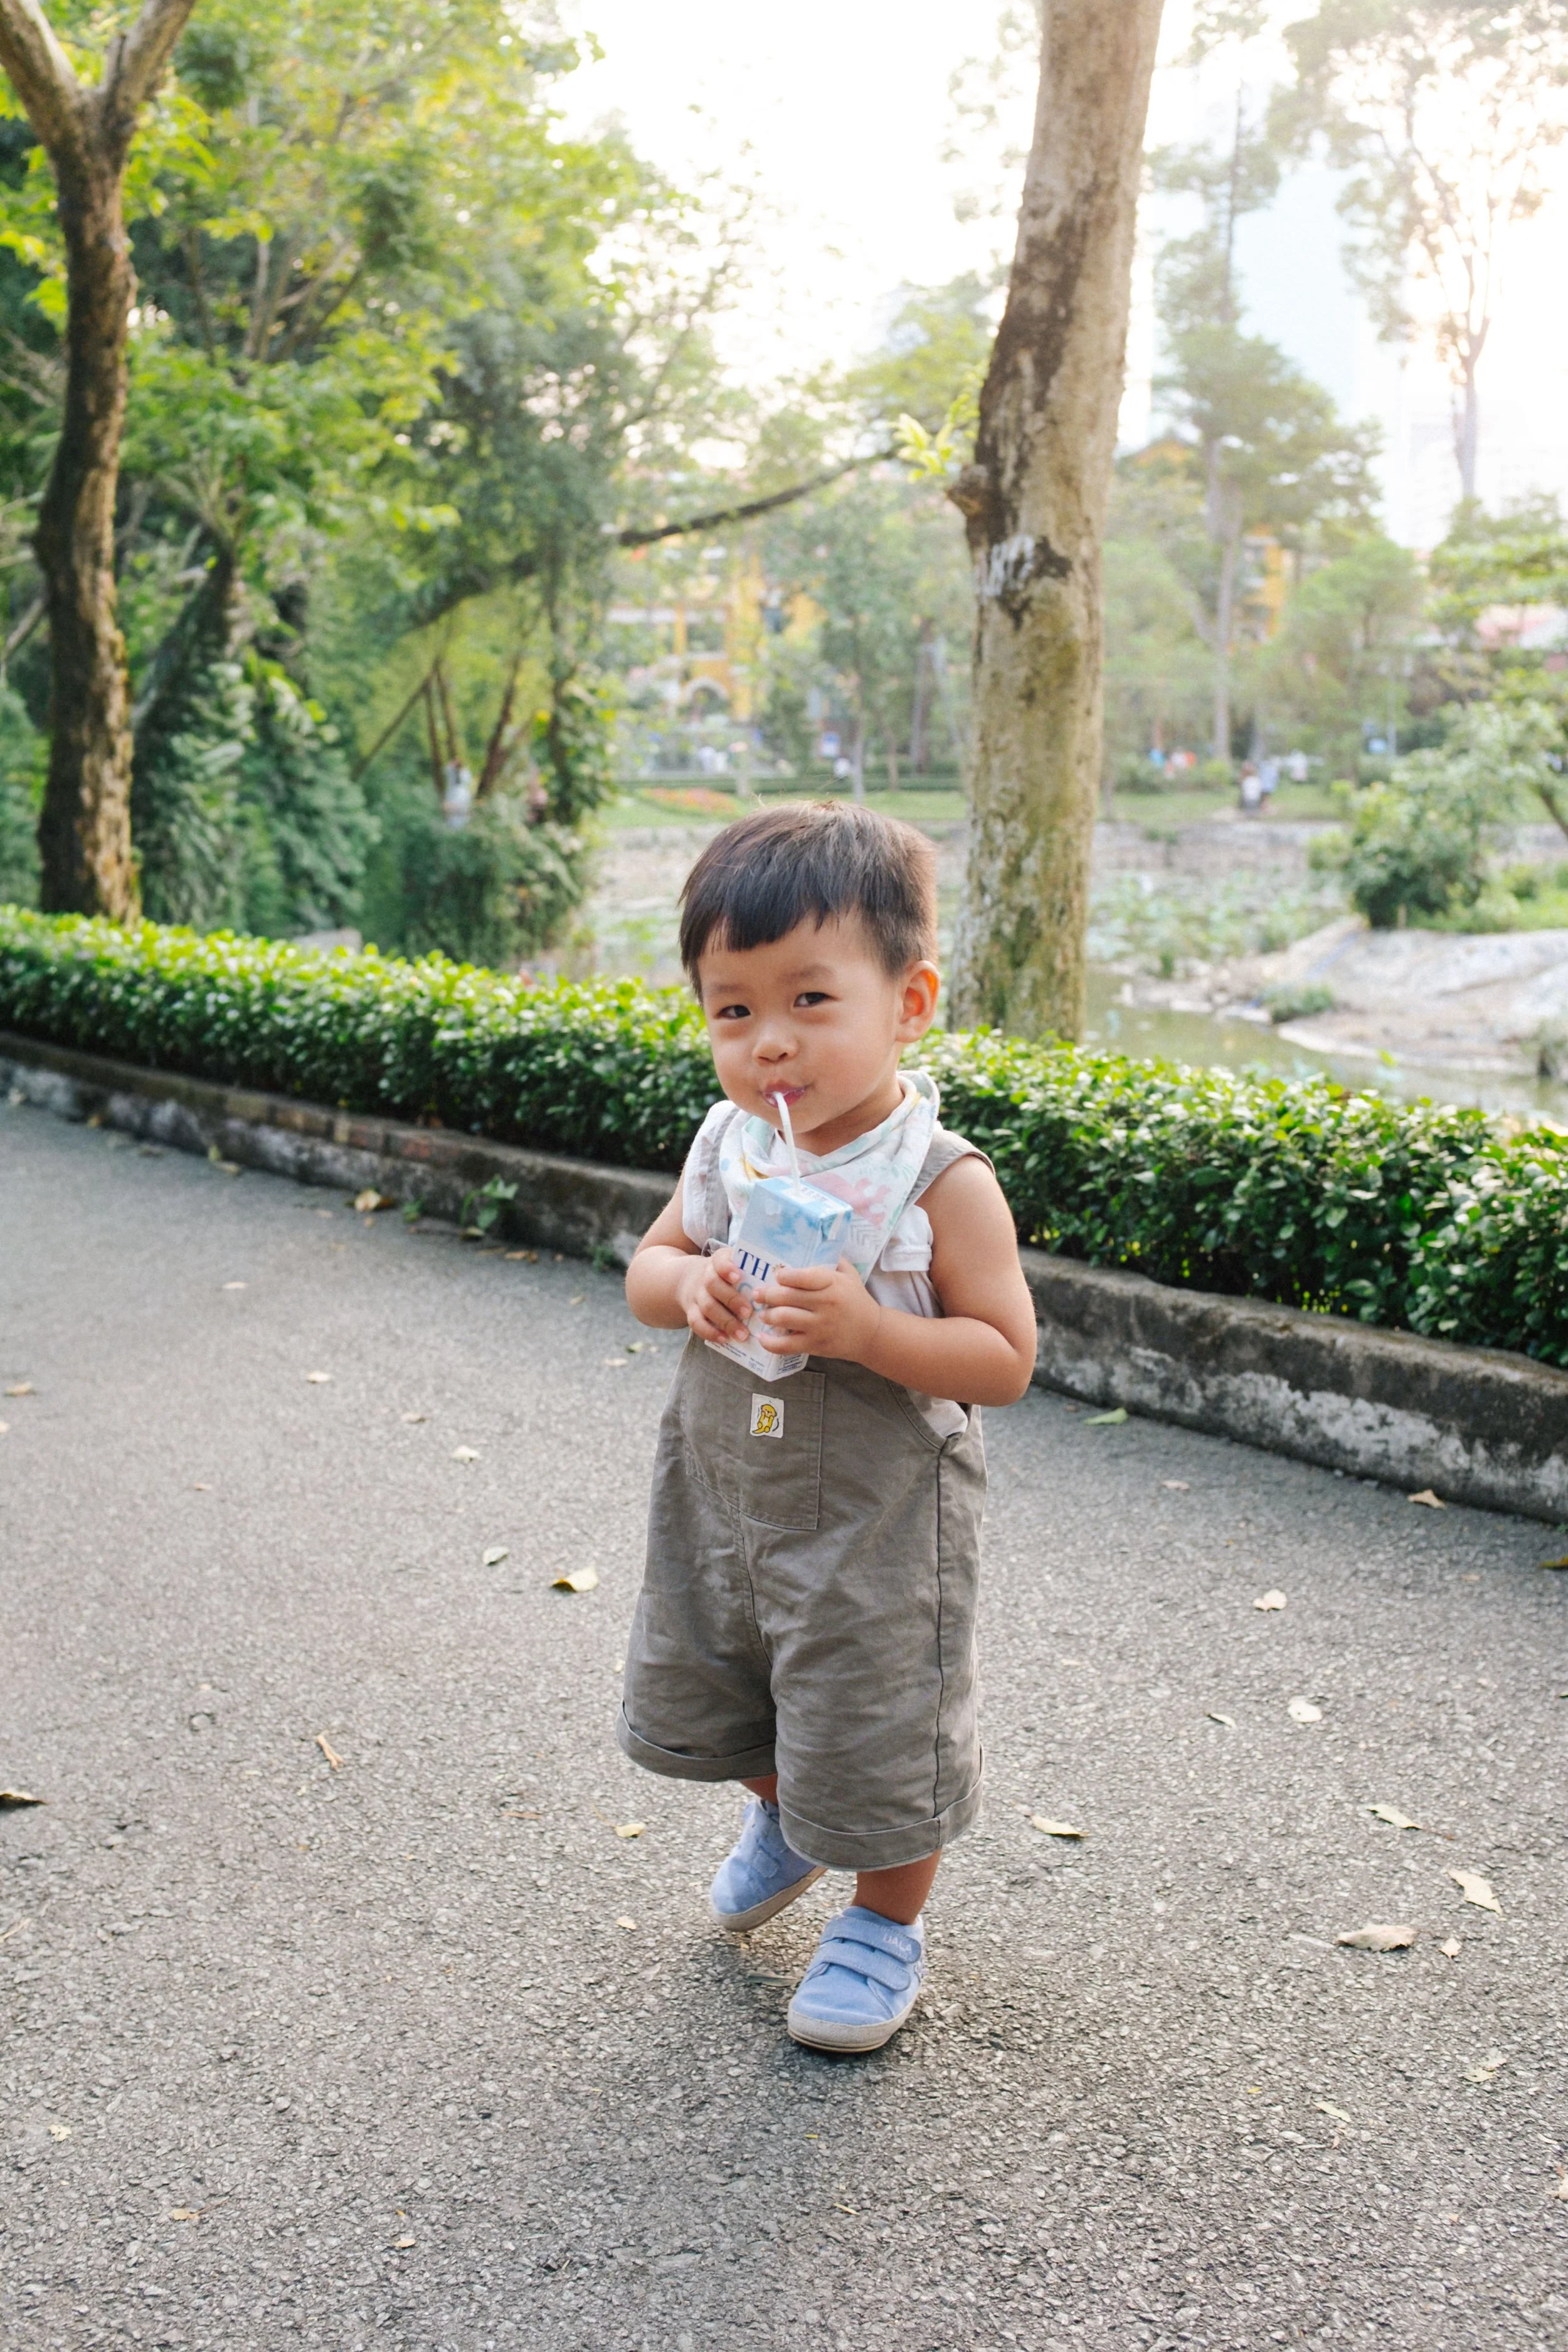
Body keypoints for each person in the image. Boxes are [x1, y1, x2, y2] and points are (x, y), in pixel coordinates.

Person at [620, 801, 1037, 2053]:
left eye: (810, 1001)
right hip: (723, 1490)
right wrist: (687, 1286)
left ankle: (883, 1918)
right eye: (731, 1010)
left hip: (874, 1522)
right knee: (719, 1681)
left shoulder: (938, 1182)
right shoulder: (728, 1150)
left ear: (908, 1003)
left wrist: (868, 1330)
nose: (768, 1044)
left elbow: (1003, 1359)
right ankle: (785, 1812)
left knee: (869, 1720)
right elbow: (647, 1267)